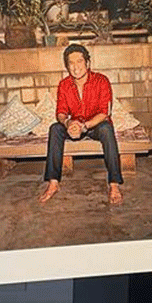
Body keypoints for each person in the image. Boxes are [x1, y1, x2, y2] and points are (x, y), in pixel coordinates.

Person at [38, 43, 124, 205]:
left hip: (95, 125)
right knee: (55, 128)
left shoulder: (101, 81)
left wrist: (85, 126)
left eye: (79, 61)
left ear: (88, 63)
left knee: (107, 128)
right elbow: (61, 112)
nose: (75, 67)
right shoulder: (64, 85)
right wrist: (69, 123)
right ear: (67, 66)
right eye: (71, 63)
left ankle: (114, 184)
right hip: (74, 124)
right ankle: (53, 183)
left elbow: (105, 112)